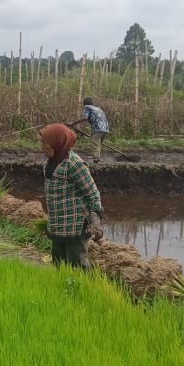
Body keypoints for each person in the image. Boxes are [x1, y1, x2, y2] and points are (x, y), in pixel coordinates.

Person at [39, 123, 103, 270]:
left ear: (57, 143)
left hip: (75, 224)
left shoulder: (74, 165)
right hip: (57, 224)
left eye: (44, 143)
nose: (41, 146)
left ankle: (83, 291)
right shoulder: (49, 162)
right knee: (59, 265)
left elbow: (92, 193)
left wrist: (96, 219)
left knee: (77, 266)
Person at [77, 97, 110, 163]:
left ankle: (96, 161)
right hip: (105, 129)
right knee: (98, 145)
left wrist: (73, 123)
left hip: (98, 129)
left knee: (95, 145)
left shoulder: (87, 107)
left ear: (84, 103)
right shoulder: (98, 108)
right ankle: (98, 158)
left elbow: (85, 118)